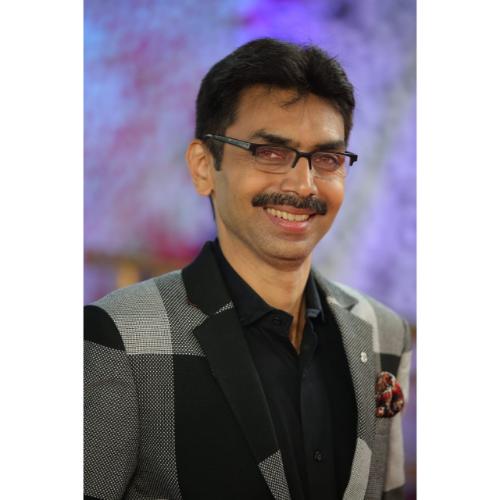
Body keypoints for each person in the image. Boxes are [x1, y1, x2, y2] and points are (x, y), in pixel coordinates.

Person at [84, 38, 412, 500]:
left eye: (327, 159)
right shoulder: (118, 336)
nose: (303, 185)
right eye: (270, 152)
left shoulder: (383, 333)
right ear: (204, 167)